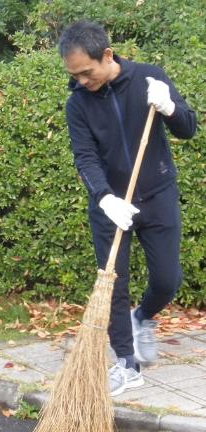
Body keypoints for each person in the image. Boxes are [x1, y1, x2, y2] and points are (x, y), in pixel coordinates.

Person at [58, 21, 196, 397]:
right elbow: (85, 157)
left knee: (168, 280)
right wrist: (104, 197)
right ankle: (126, 363)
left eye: (86, 72)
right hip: (111, 204)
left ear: (106, 55)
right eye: (74, 75)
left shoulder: (149, 78)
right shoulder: (78, 103)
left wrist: (169, 107)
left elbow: (188, 128)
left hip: (157, 194)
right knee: (113, 286)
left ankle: (143, 317)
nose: (82, 81)